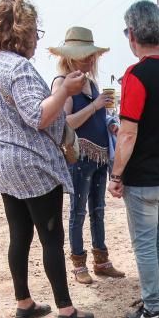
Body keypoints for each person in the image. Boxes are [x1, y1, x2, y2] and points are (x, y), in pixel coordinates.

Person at [0, 0, 95, 318]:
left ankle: (24, 303)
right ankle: (66, 311)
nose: (37, 41)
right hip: (30, 164)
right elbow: (37, 116)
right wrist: (64, 92)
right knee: (51, 237)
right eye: (35, 33)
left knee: (19, 234)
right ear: (24, 32)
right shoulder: (18, 68)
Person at [107, 0, 159, 318]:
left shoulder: (135, 75)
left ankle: (152, 309)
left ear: (133, 35)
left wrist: (116, 174)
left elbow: (127, 134)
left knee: (145, 243)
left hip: (145, 178)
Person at [49, 26, 125, 284]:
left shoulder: (90, 84)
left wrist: (109, 122)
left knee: (98, 210)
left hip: (99, 156)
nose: (90, 60)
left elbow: (95, 119)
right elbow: (64, 122)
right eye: (84, 55)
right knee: (78, 212)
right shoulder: (62, 84)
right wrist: (95, 106)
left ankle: (101, 261)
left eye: (91, 55)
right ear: (69, 57)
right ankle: (79, 264)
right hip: (79, 157)